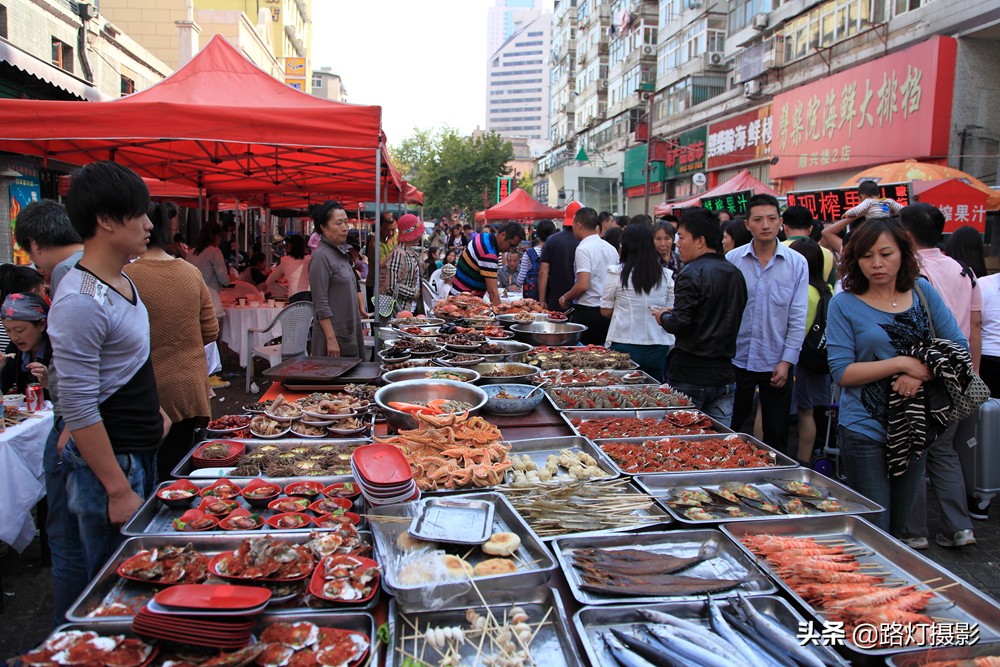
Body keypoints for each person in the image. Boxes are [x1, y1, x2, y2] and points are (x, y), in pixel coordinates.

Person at [47, 161, 165, 622]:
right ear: (106, 220)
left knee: (137, 576)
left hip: (138, 450)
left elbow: (124, 363)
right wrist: (116, 489)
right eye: (139, 213)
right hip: (112, 464)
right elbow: (75, 401)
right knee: (112, 592)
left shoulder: (122, 281)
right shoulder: (79, 300)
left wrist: (157, 410)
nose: (149, 224)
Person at [826, 218, 967, 539]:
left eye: (886, 254)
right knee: (876, 526)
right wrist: (901, 363)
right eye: (866, 256)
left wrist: (918, 374)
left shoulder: (922, 292)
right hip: (863, 427)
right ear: (854, 259)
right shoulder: (843, 304)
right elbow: (842, 372)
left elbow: (958, 347)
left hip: (917, 424)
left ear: (903, 253)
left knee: (902, 525)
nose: (876, 264)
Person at [898, 204, 980, 548]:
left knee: (914, 450)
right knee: (945, 451)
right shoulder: (964, 270)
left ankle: (914, 531)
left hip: (923, 370)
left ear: (906, 234)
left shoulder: (912, 271)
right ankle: (960, 528)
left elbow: (916, 327)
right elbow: (975, 325)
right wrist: (970, 373)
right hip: (956, 371)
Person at [124, 202, 218, 478]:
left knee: (152, 473)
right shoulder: (189, 272)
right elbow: (211, 331)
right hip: (190, 385)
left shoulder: (126, 277)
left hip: (147, 391)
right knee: (184, 469)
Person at [726, 193, 808, 456]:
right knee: (730, 428)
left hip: (776, 362)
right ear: (747, 224)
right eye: (758, 219)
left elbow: (797, 317)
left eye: (772, 219)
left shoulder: (796, 263)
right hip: (736, 359)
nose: (765, 225)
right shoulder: (733, 260)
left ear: (780, 222)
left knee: (777, 434)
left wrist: (787, 361)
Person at [653, 208, 747, 422]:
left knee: (679, 443)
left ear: (700, 241)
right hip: (724, 374)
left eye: (682, 237)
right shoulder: (735, 273)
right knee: (719, 446)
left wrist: (662, 317)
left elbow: (680, 323)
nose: (677, 244)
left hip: (690, 375)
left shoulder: (691, 272)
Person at [601, 224, 674, 380]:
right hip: (658, 346)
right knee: (653, 396)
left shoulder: (616, 273)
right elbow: (670, 310)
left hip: (623, 344)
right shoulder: (666, 275)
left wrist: (624, 311)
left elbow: (605, 310)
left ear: (625, 246)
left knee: (623, 395)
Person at [788, 238, 832, 465]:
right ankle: (808, 456)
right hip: (822, 360)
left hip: (802, 361)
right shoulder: (827, 289)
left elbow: (799, 331)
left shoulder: (805, 292)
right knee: (813, 410)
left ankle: (803, 460)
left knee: (805, 412)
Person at [310, 201, 364, 358]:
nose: (345, 228)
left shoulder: (342, 253)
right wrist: (331, 339)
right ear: (323, 227)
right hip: (334, 336)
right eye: (338, 223)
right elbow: (320, 302)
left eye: (346, 222)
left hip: (350, 329)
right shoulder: (321, 256)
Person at [560, 207, 619, 345]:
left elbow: (583, 284)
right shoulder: (611, 249)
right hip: (607, 312)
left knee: (584, 358)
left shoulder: (583, 249)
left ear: (579, 225)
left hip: (588, 312)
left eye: (573, 225)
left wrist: (565, 297)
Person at [13, 199, 84, 296]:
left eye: (29, 253)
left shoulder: (65, 269)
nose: (31, 258)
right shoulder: (98, 256)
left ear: (34, 244)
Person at [450, 221, 524, 306]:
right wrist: (500, 314)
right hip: (463, 304)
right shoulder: (488, 253)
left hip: (458, 295)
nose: (510, 249)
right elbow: (492, 292)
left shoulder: (483, 237)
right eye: (511, 245)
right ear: (502, 235)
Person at [822, 180, 904, 253]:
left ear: (861, 196)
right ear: (879, 195)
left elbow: (855, 210)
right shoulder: (888, 201)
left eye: (885, 254)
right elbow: (903, 210)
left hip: (872, 226)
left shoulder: (868, 202)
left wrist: (846, 215)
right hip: (887, 224)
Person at [0, 292, 51, 396]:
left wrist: (50, 383)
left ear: (42, 324)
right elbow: (8, 393)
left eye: (19, 330)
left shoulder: (61, 352)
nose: (14, 337)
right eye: (8, 330)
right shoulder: (13, 351)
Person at [539, 201, 582, 312]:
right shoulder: (584, 242)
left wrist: (541, 300)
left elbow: (543, 271)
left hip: (555, 301)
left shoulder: (551, 240)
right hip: (580, 302)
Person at [382, 213, 424, 317]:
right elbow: (391, 286)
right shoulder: (398, 254)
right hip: (399, 312)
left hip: (408, 309)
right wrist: (414, 293)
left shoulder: (408, 253)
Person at [783, 206, 835, 286]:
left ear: (785, 227)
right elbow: (832, 284)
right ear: (810, 229)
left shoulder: (776, 250)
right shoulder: (827, 253)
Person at [188, 221, 230, 320]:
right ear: (217, 236)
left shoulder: (190, 253)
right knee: (212, 333)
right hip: (211, 299)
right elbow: (224, 279)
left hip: (192, 298)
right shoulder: (214, 252)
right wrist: (229, 279)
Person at [265, 234, 310, 303]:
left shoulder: (284, 260)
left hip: (294, 297)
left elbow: (268, 281)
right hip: (310, 296)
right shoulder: (310, 258)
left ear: (290, 246)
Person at [517, 219, 555, 302]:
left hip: (532, 301)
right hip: (552, 297)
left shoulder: (529, 253)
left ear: (537, 234)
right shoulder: (556, 252)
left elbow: (520, 280)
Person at [365, 214, 397, 306]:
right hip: (375, 286)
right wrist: (394, 250)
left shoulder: (396, 236)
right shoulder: (376, 244)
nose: (391, 233)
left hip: (389, 285)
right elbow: (382, 265)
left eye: (393, 229)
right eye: (387, 230)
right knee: (378, 318)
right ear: (380, 227)